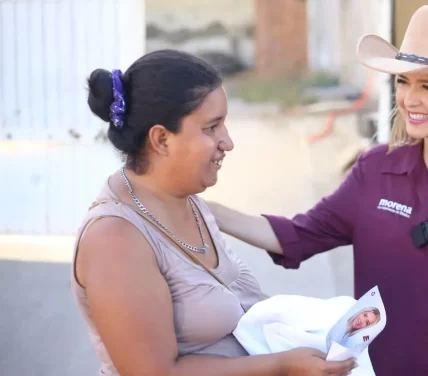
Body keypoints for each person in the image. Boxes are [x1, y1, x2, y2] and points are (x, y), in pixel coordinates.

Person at [206, 6, 428, 376]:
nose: (409, 100)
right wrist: (204, 209)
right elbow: (298, 234)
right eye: (403, 82)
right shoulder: (374, 170)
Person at [71, 49, 356, 376]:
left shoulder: (190, 204)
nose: (228, 142)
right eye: (212, 127)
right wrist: (280, 366)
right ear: (161, 139)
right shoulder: (115, 241)